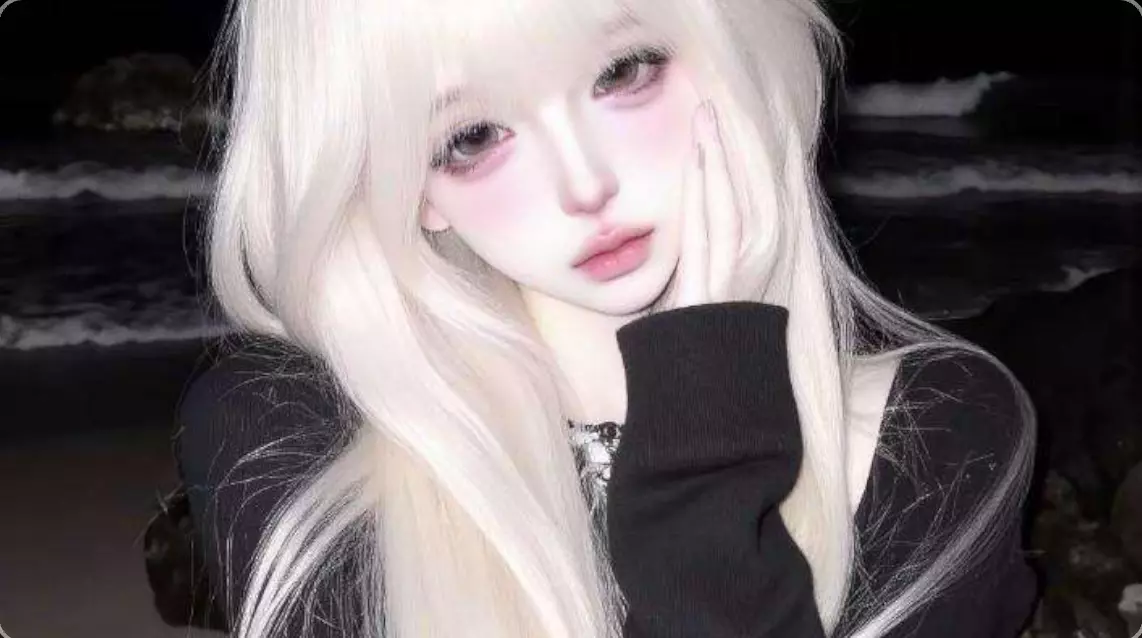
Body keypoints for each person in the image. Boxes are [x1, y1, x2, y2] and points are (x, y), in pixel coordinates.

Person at [174, 0, 1040, 636]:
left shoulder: (940, 436)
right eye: (471, 137)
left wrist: (706, 425)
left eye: (624, 71)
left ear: (731, 45)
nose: (584, 183)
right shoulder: (288, 438)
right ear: (412, 189)